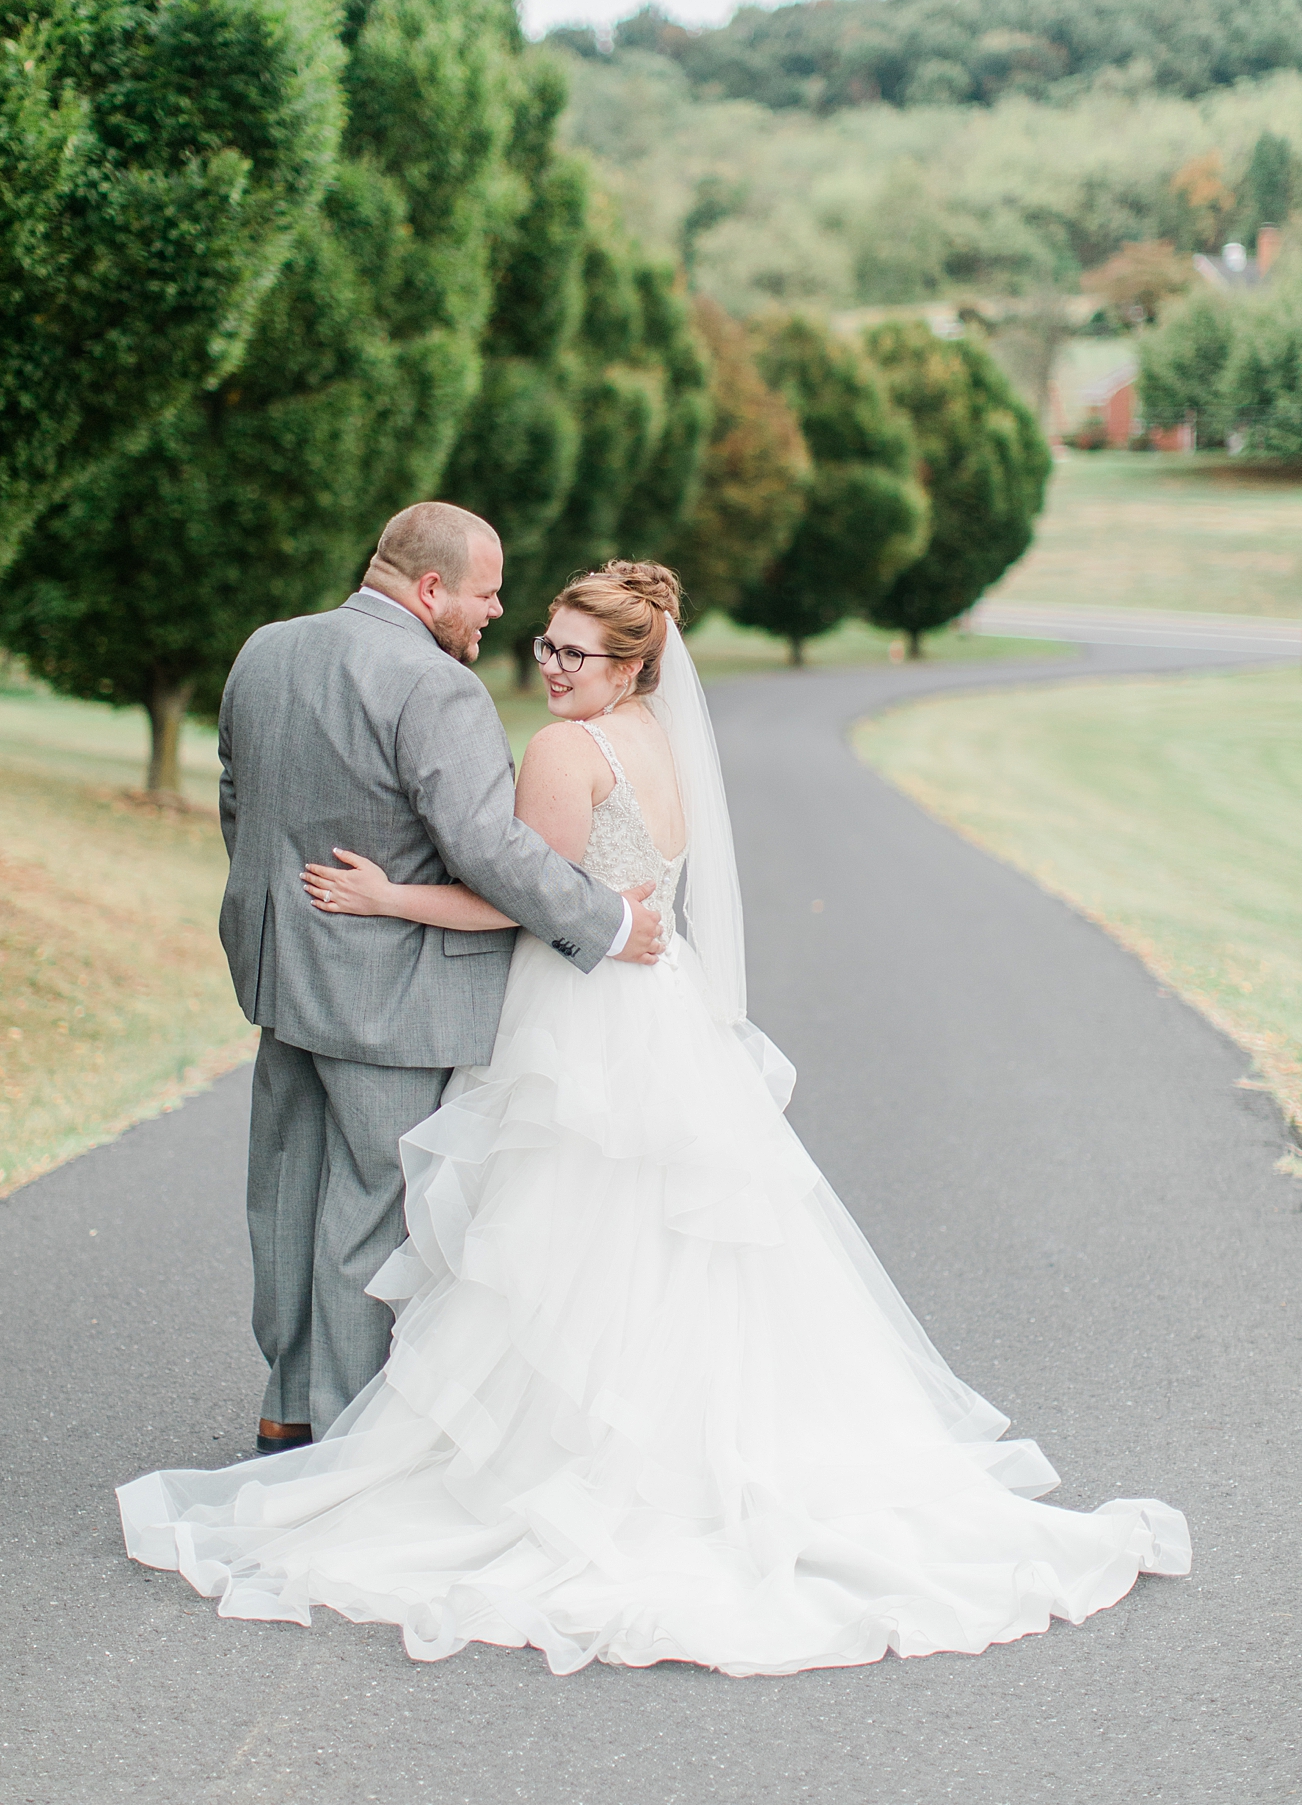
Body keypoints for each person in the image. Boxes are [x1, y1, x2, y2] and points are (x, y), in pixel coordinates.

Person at [120, 559, 1189, 1675]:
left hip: (578, 1018)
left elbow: (511, 889)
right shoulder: (660, 745)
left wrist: (388, 897)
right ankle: (664, 1451)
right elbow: (620, 887)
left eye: (572, 653)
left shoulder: (561, 749)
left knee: (549, 1238)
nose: (546, 666)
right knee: (667, 1247)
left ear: (631, 666)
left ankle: (521, 1460)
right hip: (663, 1015)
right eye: (543, 643)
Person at [212, 504, 664, 1455]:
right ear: (429, 589)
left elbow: (237, 799)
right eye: (486, 591)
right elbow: (490, 848)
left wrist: (286, 916)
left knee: (286, 1192)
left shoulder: (267, 648)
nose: (498, 611)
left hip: (282, 972)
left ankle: (285, 1403)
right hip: (397, 996)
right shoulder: (435, 687)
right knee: (371, 1210)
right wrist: (610, 918)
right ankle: (341, 1436)